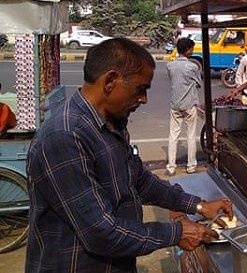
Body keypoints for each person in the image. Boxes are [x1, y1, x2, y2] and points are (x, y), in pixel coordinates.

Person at [25, 38, 233, 273]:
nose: (144, 99)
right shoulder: (64, 137)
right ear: (111, 81)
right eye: (140, 89)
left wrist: (198, 206)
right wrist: (177, 232)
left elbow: (139, 181)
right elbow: (100, 232)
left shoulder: (112, 122)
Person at [166, 38, 202, 175]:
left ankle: (171, 167)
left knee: (173, 136)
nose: (192, 51)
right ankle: (191, 166)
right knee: (191, 135)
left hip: (175, 104)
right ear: (187, 50)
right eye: (192, 49)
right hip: (189, 104)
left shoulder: (170, 65)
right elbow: (198, 83)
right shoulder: (193, 67)